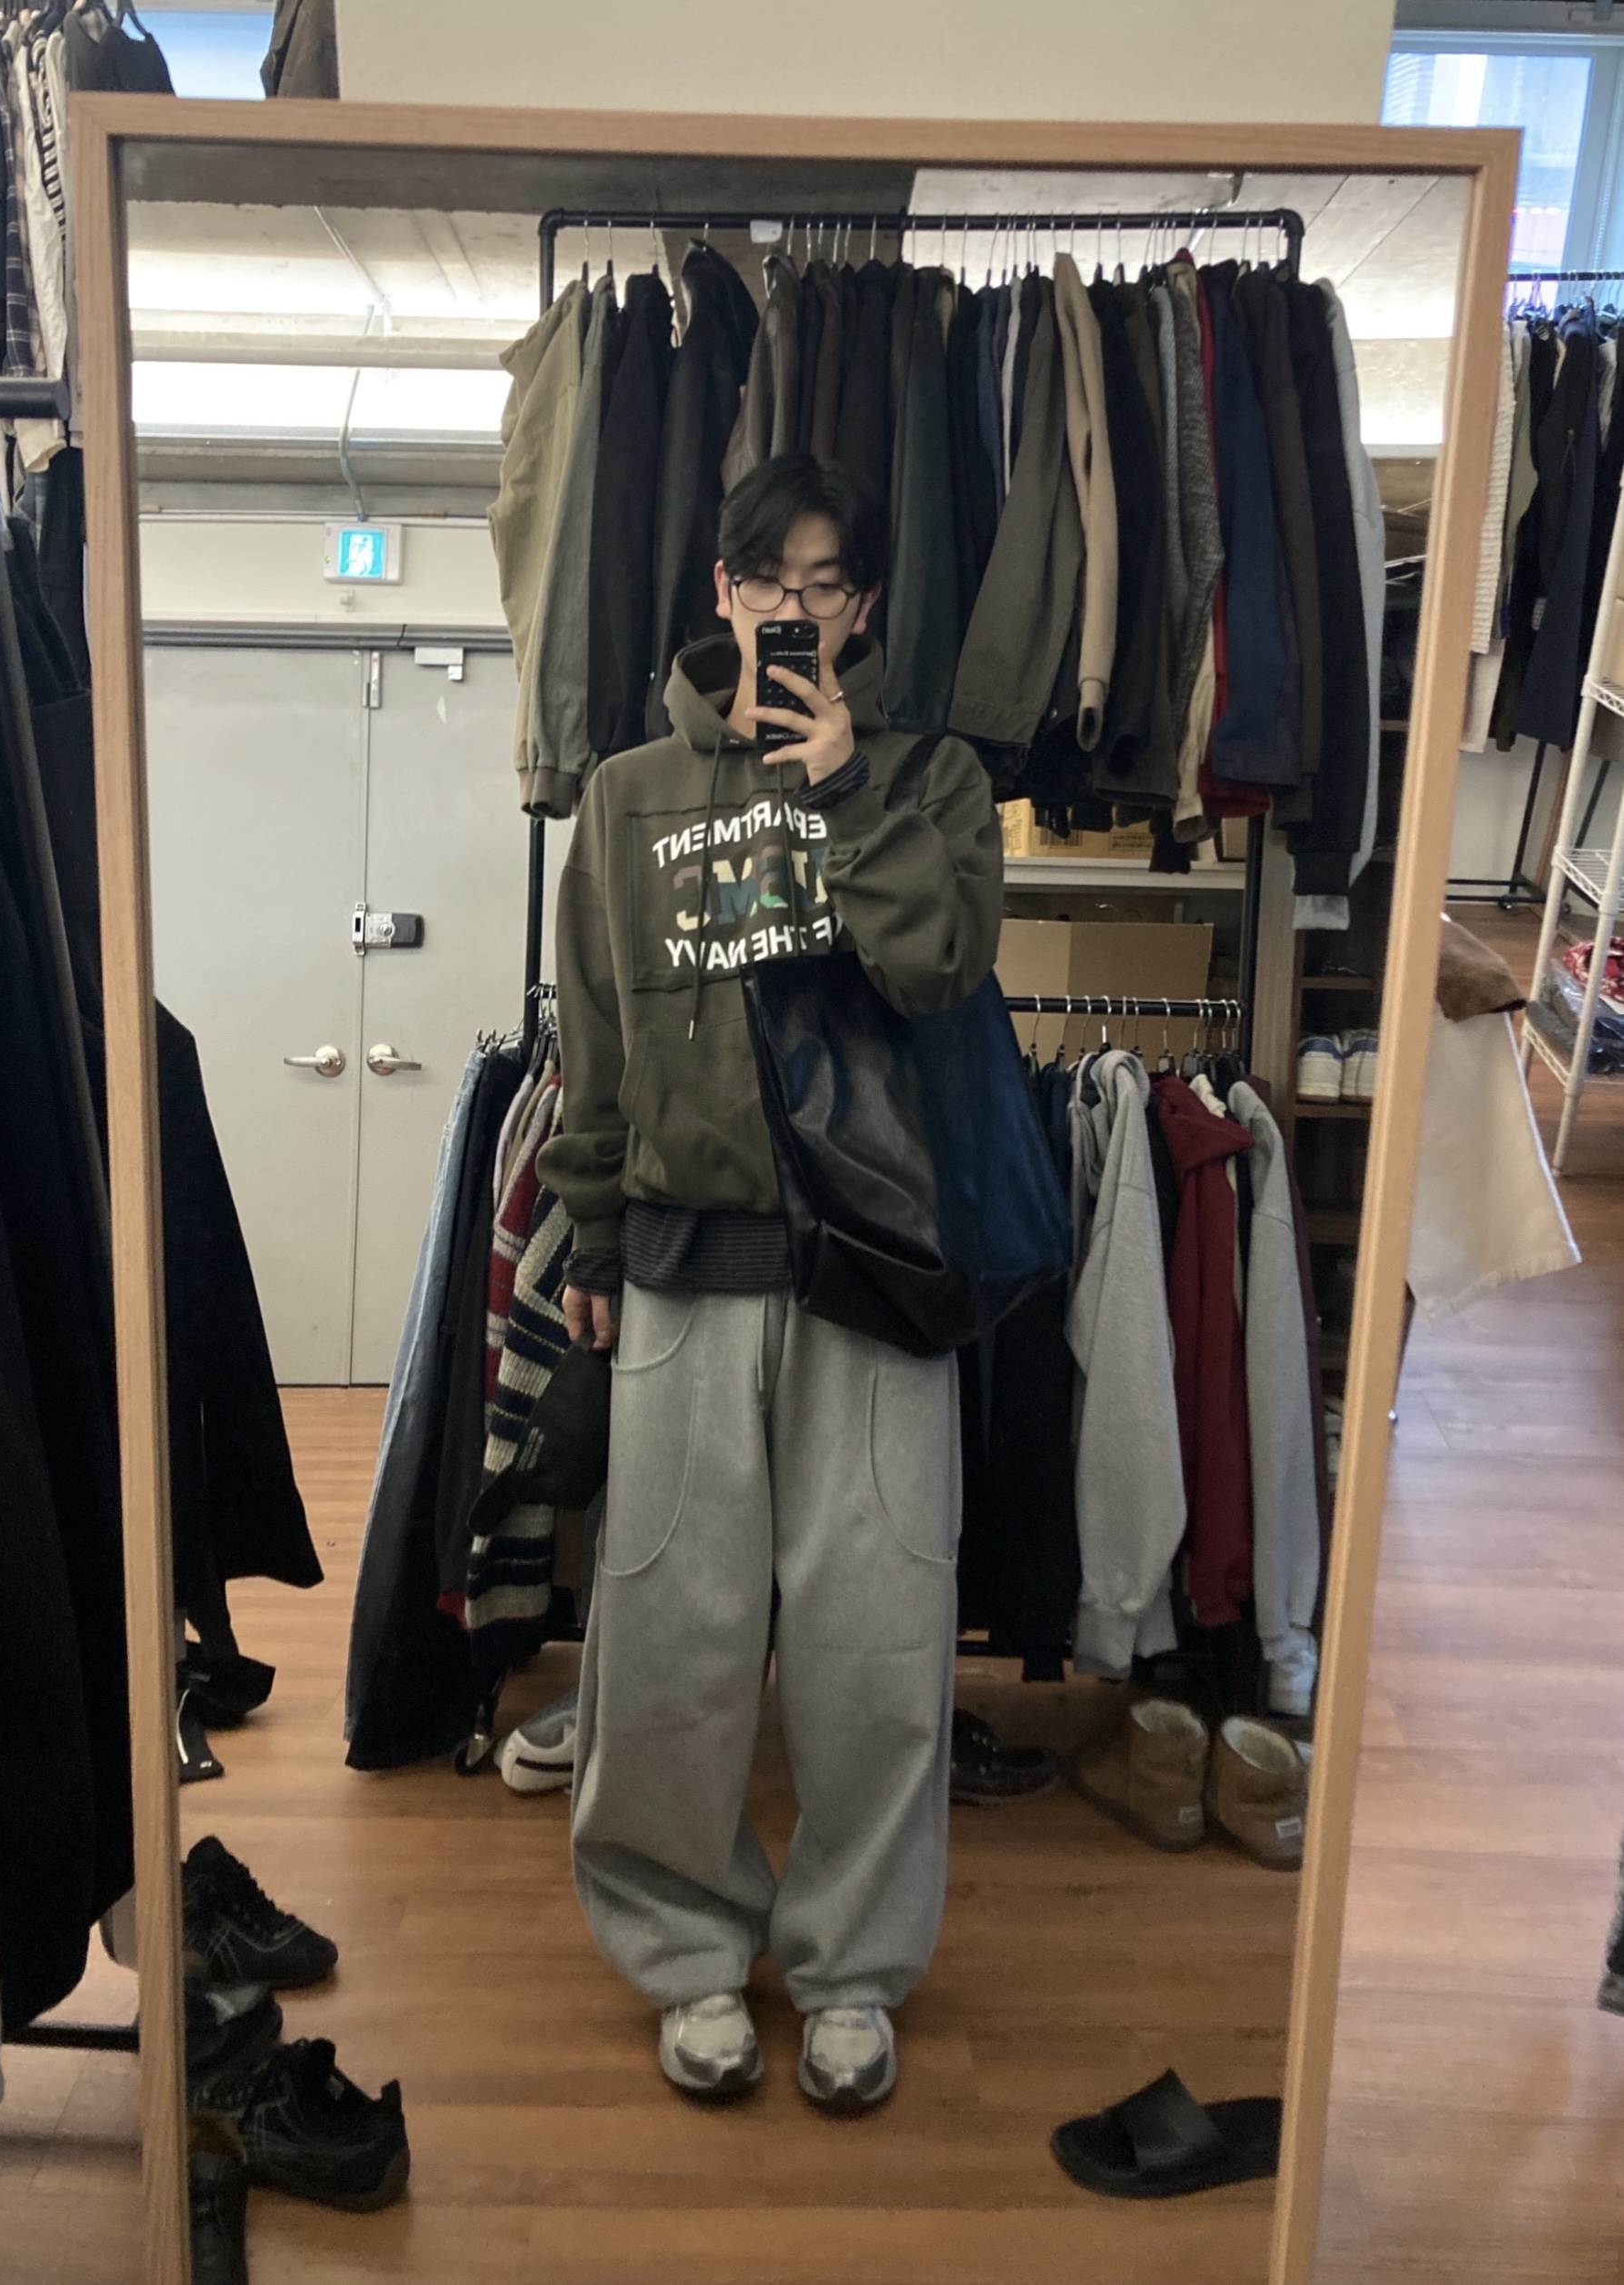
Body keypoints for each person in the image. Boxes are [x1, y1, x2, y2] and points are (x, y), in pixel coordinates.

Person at [539, 451, 1002, 2111]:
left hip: (877, 1273)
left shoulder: (935, 779)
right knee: (673, 1632)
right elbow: (594, 1032)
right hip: (687, 1259)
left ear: (861, 607)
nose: (790, 608)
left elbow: (941, 966)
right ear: (720, 592)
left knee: (879, 1640)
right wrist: (593, 1236)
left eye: (823, 583)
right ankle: (683, 1947)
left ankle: (854, 1966)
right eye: (764, 579)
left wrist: (850, 791)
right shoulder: (628, 794)